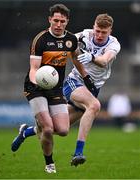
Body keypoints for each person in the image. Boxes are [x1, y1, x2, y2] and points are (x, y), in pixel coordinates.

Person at [11, 13, 121, 167]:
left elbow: (104, 61)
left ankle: (26, 131)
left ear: (110, 31)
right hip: (74, 81)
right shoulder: (83, 36)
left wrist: (92, 57)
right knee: (94, 106)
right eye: (97, 31)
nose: (100, 35)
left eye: (104, 32)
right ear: (94, 27)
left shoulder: (114, 44)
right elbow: (60, 40)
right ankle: (78, 153)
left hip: (93, 88)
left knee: (59, 129)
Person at [11, 4, 92, 173]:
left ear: (67, 21)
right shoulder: (40, 39)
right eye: (55, 20)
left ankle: (26, 132)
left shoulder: (71, 39)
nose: (58, 24)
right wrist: (36, 83)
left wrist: (85, 77)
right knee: (47, 128)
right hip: (35, 87)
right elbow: (34, 68)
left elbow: (76, 58)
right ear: (50, 19)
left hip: (55, 89)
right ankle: (49, 164)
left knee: (62, 130)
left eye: (62, 21)